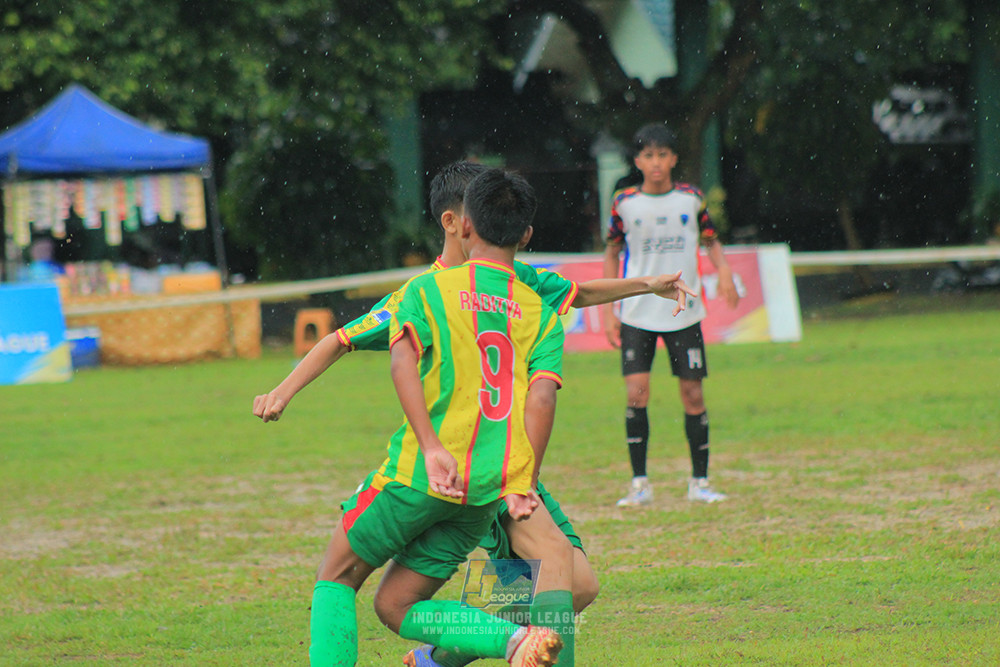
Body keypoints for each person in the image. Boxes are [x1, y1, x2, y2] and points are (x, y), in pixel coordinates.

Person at [254, 161, 695, 667]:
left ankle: (449, 656)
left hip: (473, 468)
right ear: (458, 222)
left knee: (577, 584)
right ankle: (474, 651)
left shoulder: (488, 287)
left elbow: (578, 294)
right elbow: (342, 339)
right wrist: (283, 391)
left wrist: (646, 285)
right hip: (498, 473)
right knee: (551, 575)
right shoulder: (475, 293)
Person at [298, 168, 568, 666]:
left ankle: (510, 637)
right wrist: (522, 478)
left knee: (336, 575)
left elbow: (400, 359)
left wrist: (431, 445)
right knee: (395, 603)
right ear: (526, 234)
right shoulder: (541, 313)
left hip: (420, 474)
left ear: (464, 226)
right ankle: (514, 641)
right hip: (486, 490)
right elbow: (543, 399)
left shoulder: (428, 291)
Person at [603, 122, 740, 507]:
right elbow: (612, 251)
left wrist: (725, 271)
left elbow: (711, 240)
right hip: (636, 313)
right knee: (636, 395)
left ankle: (700, 482)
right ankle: (640, 484)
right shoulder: (624, 203)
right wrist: (608, 311)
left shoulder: (692, 199)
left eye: (663, 154)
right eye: (648, 155)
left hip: (684, 313)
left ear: (674, 158)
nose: (656, 162)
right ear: (637, 161)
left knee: (693, 395)